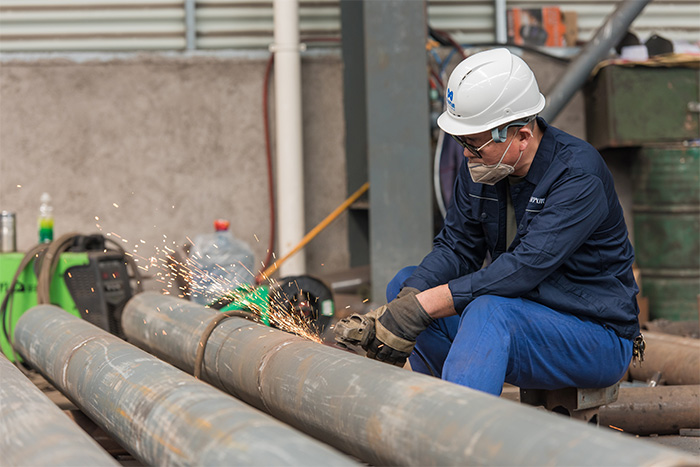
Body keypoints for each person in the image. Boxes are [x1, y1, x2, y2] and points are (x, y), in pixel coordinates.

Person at [353, 48, 641, 396]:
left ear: (521, 135)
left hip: (596, 336)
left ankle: (456, 435)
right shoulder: (486, 166)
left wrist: (425, 306)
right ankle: (434, 405)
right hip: (522, 313)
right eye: (463, 142)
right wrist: (410, 299)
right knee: (406, 284)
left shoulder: (577, 176)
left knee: (488, 311)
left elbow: (524, 269)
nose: (465, 154)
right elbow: (457, 247)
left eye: (473, 144)